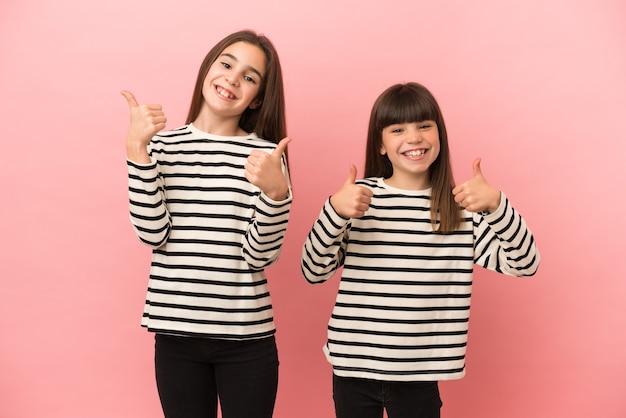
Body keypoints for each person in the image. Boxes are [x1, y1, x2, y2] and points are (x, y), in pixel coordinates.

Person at [301, 82, 540, 418]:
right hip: (353, 367)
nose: (413, 137)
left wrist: (498, 205)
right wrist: (334, 211)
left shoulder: (460, 208)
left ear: (439, 135)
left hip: (420, 374)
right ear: (381, 145)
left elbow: (525, 263)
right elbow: (312, 271)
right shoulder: (358, 200)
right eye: (398, 129)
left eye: (424, 126)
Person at [122, 30, 292, 418]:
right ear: (208, 70)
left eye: (250, 77)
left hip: (247, 338)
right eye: (227, 65)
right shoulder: (160, 146)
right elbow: (153, 233)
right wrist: (136, 151)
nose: (233, 79)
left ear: (259, 98)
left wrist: (275, 196)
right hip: (176, 335)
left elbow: (260, 255)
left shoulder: (267, 156)